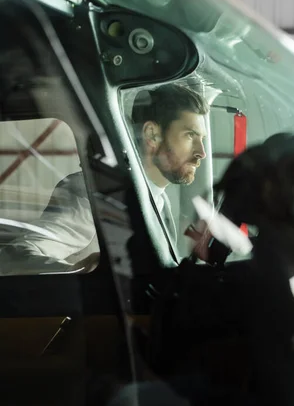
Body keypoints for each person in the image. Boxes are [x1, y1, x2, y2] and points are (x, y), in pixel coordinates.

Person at [0, 84, 209, 274]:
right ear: (152, 134)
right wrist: (79, 272)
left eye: (202, 140)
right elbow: (15, 256)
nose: (202, 152)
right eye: (190, 135)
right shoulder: (95, 194)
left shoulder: (157, 199)